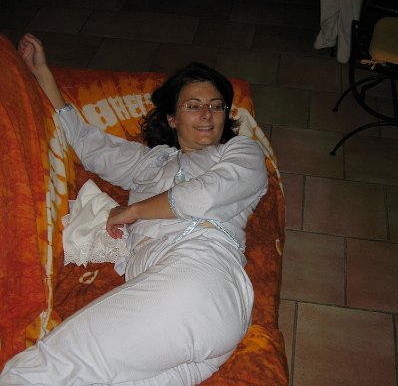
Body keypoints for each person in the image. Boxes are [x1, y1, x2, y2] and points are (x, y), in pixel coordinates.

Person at [0, 34, 268, 386]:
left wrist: (135, 211)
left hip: (200, 277)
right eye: (193, 106)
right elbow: (85, 142)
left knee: (43, 369)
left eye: (216, 106)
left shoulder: (241, 152)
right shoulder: (150, 163)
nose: (207, 114)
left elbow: (206, 196)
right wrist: (42, 73)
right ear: (171, 118)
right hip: (193, 321)